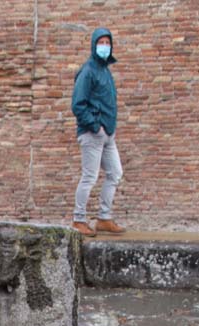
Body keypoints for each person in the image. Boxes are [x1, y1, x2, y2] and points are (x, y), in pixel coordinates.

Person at [71, 28, 125, 237]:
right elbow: (78, 104)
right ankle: (78, 219)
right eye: (101, 42)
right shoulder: (88, 71)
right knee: (89, 176)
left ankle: (104, 217)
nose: (104, 45)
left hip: (108, 134)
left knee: (115, 173)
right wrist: (95, 126)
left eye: (107, 42)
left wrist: (107, 129)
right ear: (94, 45)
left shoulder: (105, 70)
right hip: (93, 133)